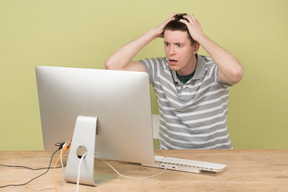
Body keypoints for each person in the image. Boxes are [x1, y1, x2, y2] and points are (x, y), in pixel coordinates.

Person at [105, 14, 244, 149]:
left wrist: (201, 37)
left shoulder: (214, 70)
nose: (171, 52)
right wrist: (153, 33)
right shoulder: (159, 68)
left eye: (179, 45)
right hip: (172, 159)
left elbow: (235, 73)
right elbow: (113, 66)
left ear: (195, 47)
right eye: (167, 44)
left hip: (217, 157)